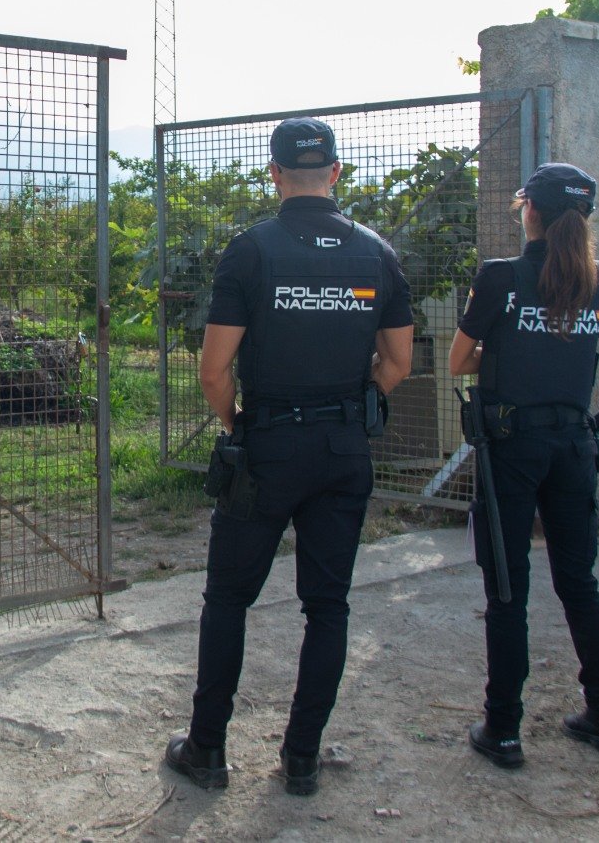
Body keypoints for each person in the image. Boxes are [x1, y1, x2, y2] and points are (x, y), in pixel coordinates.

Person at [164, 117, 415, 796]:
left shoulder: (251, 252)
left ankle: (208, 750)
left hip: (269, 446)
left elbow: (215, 370)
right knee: (327, 606)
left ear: (273, 175)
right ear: (337, 172)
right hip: (342, 449)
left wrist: (239, 422)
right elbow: (399, 360)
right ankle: (301, 757)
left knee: (227, 598)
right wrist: (354, 403)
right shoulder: (376, 254)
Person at [448, 162, 599, 768]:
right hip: (575, 448)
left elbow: (457, 361)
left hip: (513, 447)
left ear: (532, 212)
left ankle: (503, 730)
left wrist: (507, 348)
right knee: (580, 583)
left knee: (508, 588)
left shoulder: (501, 277)